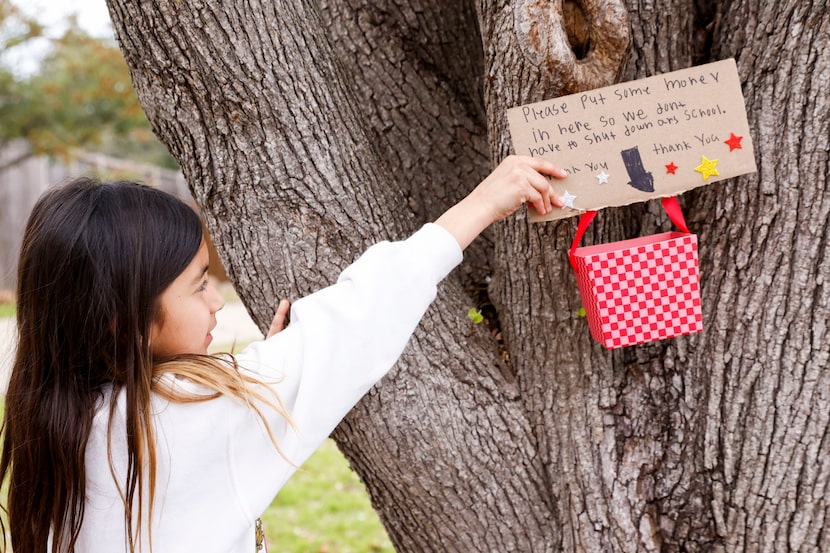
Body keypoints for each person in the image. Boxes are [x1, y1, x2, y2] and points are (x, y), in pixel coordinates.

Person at [0, 155, 567, 553]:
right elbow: (356, 319)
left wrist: (260, 371)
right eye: (199, 285)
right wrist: (485, 203)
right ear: (122, 319)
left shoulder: (59, 417)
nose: (218, 300)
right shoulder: (179, 415)